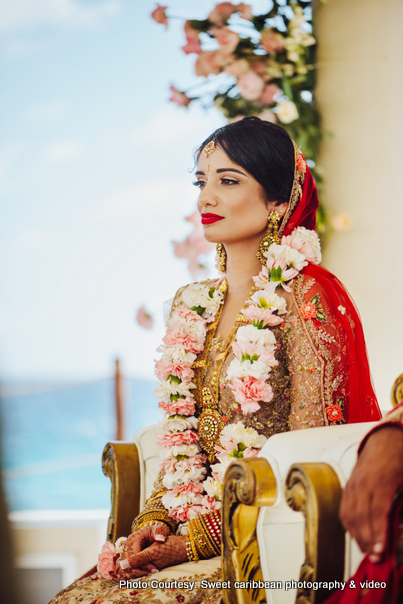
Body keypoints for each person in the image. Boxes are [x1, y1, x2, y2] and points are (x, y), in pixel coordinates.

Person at [49, 117, 381, 604]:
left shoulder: (306, 296)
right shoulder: (192, 304)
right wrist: (153, 523)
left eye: (229, 181)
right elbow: (181, 444)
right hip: (186, 534)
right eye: (201, 182)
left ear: (279, 201)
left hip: (261, 546)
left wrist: (191, 544)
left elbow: (305, 457)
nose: (205, 198)